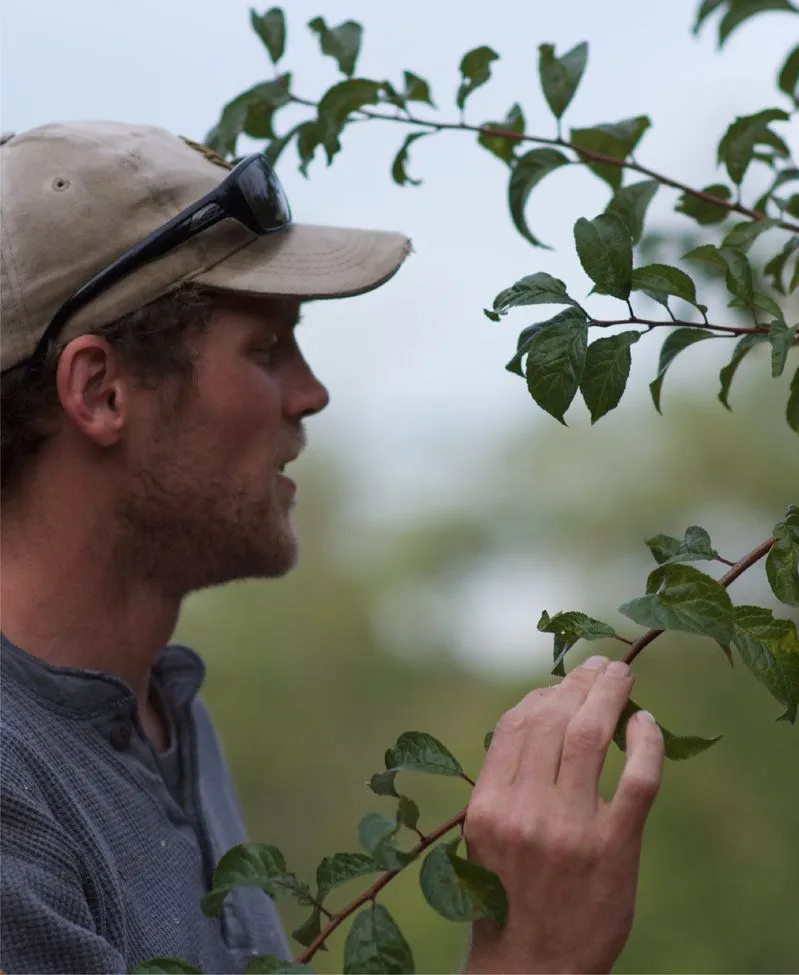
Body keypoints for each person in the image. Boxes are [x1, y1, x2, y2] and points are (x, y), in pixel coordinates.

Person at [0, 120, 665, 974]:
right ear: (100, 391)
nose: (310, 394)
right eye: (266, 349)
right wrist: (533, 956)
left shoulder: (165, 709)